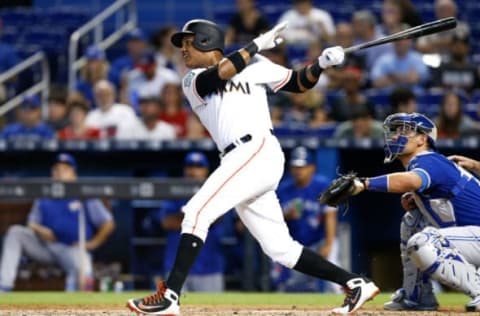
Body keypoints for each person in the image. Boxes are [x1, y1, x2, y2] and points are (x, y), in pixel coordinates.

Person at [127, 18, 379, 315]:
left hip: (256, 149)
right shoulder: (191, 80)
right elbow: (220, 75)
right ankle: (355, 283)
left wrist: (322, 64)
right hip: (239, 157)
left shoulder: (256, 63)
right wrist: (257, 43)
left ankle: (170, 295)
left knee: (196, 212)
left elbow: (298, 82)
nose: (183, 50)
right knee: (279, 248)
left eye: (188, 42)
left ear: (207, 41)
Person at [340, 112, 480, 312]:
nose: (396, 136)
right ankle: (417, 295)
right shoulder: (429, 163)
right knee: (412, 220)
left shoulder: (428, 159)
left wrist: (364, 183)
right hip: (473, 238)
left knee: (423, 242)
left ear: (423, 139)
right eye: (395, 131)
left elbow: (413, 180)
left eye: (405, 131)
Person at [0, 153, 115, 292]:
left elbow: (108, 223)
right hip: (45, 247)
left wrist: (93, 243)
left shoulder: (84, 194)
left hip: (71, 248)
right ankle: (4, 287)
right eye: (57, 169)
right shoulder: (44, 195)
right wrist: (40, 229)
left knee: (84, 270)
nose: (60, 173)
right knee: (15, 232)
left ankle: (76, 304)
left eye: (65, 169)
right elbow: (31, 223)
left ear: (73, 174)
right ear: (52, 174)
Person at [272, 146, 340, 293]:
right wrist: (286, 216)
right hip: (296, 242)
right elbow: (272, 220)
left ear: (312, 168)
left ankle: (347, 298)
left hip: (319, 239)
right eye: (295, 167)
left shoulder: (324, 185)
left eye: (302, 167)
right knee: (291, 281)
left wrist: (328, 244)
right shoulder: (283, 189)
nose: (298, 171)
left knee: (332, 270)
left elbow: (330, 216)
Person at [154, 152, 225, 292]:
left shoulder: (215, 190)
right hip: (176, 267)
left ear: (206, 170)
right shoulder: (174, 191)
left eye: (199, 166)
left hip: (209, 268)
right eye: (190, 166)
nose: (193, 171)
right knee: (174, 311)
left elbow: (216, 218)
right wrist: (199, 215)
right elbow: (167, 222)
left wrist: (184, 215)